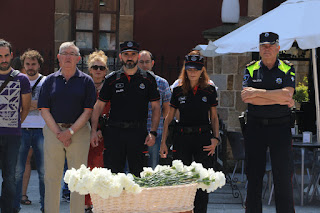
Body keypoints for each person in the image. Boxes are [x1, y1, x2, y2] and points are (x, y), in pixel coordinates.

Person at [38, 41, 96, 213]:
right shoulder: (49, 81)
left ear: (78, 58)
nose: (68, 56)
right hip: (53, 132)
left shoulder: (87, 81)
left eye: (72, 53)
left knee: (78, 178)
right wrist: (59, 133)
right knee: (52, 177)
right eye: (64, 53)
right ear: (58, 57)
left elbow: (88, 111)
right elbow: (44, 110)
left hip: (78, 132)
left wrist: (70, 132)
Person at [241, 32, 295, 213]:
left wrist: (257, 93)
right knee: (254, 177)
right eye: (263, 45)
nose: (267, 49)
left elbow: (287, 95)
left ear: (278, 47)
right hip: (255, 127)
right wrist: (276, 96)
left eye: (271, 45)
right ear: (259, 48)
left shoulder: (287, 68)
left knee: (283, 176)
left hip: (280, 128)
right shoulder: (250, 68)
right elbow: (247, 99)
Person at [160, 52, 219, 213]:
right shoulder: (178, 90)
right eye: (190, 69)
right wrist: (164, 142)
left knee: (202, 182)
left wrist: (216, 138)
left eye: (197, 69)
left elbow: (214, 117)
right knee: (182, 179)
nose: (193, 72)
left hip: (203, 138)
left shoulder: (210, 90)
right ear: (185, 69)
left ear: (202, 70)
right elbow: (168, 118)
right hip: (182, 138)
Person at [90, 41, 161, 177]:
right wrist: (93, 130)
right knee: (113, 176)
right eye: (126, 54)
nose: (130, 57)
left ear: (138, 56)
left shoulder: (148, 79)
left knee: (138, 175)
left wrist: (153, 132)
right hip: (115, 133)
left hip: (138, 134)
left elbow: (156, 107)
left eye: (133, 54)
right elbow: (98, 106)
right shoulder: (112, 79)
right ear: (121, 56)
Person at [0, 39, 31, 212]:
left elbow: (25, 109)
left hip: (12, 135)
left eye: (6, 55)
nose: (3, 59)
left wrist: (13, 124)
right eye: (0, 56)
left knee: (10, 177)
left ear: (11, 56)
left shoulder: (22, 79)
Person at [14, 50, 46, 212]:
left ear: (39, 64)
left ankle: (45, 206)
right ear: (23, 65)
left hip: (42, 129)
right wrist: (34, 104)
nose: (31, 67)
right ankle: (15, 205)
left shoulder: (46, 81)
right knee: (18, 170)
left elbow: (47, 104)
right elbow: (16, 105)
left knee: (43, 171)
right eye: (28, 64)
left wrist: (28, 104)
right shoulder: (18, 81)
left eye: (33, 64)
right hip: (22, 129)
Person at [85, 50, 111, 213]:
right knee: (86, 168)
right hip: (85, 133)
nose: (98, 71)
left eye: (101, 68)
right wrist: (90, 129)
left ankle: (99, 203)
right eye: (95, 67)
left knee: (101, 169)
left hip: (105, 135)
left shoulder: (110, 87)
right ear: (90, 69)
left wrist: (101, 130)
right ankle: (86, 203)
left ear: (106, 70)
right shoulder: (84, 85)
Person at [138, 50, 171, 169]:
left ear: (152, 63)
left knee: (153, 166)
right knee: (135, 163)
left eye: (147, 62)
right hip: (137, 129)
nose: (144, 65)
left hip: (157, 130)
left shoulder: (162, 83)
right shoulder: (133, 81)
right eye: (141, 62)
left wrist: (164, 135)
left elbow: (167, 110)